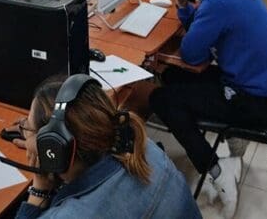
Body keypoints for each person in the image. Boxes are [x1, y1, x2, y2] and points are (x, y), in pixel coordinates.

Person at [149, 0, 267, 219]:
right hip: (264, 90)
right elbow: (205, 32)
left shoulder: (220, 1)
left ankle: (216, 171)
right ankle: (214, 149)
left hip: (254, 102)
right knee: (173, 76)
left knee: (160, 98)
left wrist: (187, 8)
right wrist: (184, 4)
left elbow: (191, 53)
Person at [12, 75, 201, 219]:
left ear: (52, 147)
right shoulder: (147, 150)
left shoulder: (74, 214)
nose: (23, 131)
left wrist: (39, 191)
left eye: (26, 127)